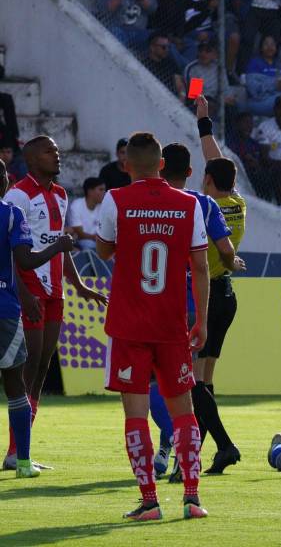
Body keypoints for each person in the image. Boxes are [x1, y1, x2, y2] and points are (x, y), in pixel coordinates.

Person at [95, 132, 208, 521]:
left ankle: (149, 501)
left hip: (129, 324)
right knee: (184, 412)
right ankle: (192, 498)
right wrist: (202, 321)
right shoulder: (188, 203)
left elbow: (104, 249)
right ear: (162, 164)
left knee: (135, 414)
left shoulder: (115, 199)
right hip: (173, 323)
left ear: (125, 165)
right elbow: (201, 267)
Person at [2, 137, 108, 472]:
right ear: (32, 158)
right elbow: (10, 249)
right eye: (49, 151)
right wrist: (23, 292)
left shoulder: (61, 195)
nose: (57, 155)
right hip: (29, 287)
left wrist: (78, 285)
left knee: (42, 367)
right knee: (28, 365)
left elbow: (59, 245)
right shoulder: (17, 194)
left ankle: (19, 450)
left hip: (55, 290)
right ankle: (18, 451)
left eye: (57, 151)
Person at [156, 138, 245, 479]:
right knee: (203, 381)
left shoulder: (173, 204)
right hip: (226, 295)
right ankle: (200, 456)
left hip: (193, 300)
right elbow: (224, 250)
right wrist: (231, 261)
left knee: (188, 382)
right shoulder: (231, 203)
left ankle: (218, 446)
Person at [0, 158, 74, 479]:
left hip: (41, 295)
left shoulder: (58, 195)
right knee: (18, 383)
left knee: (36, 370)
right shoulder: (13, 211)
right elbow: (26, 261)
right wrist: (57, 246)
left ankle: (17, 455)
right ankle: (22, 460)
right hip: (7, 307)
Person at [142, 32, 186, 100]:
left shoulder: (170, 63)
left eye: (168, 47)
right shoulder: (144, 63)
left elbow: (180, 86)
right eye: (163, 47)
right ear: (152, 47)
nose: (167, 50)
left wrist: (181, 98)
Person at [67, 177, 106, 251]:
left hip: (98, 241)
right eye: (101, 189)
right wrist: (95, 238)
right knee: (90, 245)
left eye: (104, 189)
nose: (104, 192)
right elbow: (79, 234)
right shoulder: (77, 205)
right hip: (81, 242)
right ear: (90, 191)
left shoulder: (103, 206)